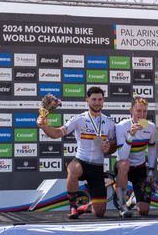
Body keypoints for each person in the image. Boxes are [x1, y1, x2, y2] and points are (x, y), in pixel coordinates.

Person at [37, 87, 117, 219]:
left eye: (99, 99)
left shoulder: (109, 123)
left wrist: (109, 148)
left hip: (97, 167)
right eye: (93, 100)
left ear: (103, 101)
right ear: (87, 101)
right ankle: (73, 207)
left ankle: (84, 207)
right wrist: (44, 126)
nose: (97, 103)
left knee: (100, 212)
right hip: (82, 161)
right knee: (72, 168)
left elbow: (113, 147)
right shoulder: (79, 119)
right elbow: (57, 133)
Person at [115, 96, 156, 217]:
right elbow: (122, 156)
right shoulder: (122, 126)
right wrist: (130, 136)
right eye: (138, 111)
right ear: (131, 111)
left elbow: (152, 150)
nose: (142, 115)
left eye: (144, 111)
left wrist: (150, 173)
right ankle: (122, 205)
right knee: (124, 164)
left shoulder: (151, 127)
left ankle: (133, 199)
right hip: (123, 167)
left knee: (144, 211)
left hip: (140, 168)